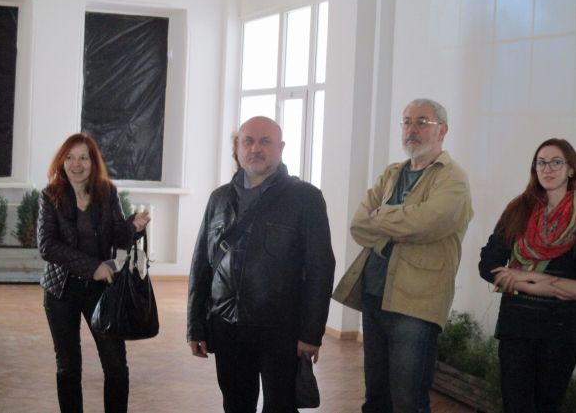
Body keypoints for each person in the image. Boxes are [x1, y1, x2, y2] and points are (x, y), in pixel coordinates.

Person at [333, 98, 473, 413]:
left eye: (422, 122)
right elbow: (358, 224)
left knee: (408, 399)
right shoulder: (392, 173)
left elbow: (428, 222)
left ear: (442, 131)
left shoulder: (453, 177)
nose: (412, 129)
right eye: (407, 122)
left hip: (417, 303)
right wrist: (400, 226)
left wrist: (382, 217)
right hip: (375, 295)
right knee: (376, 396)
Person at [187, 116, 335, 413]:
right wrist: (195, 326)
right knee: (235, 405)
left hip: (281, 328)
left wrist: (311, 333)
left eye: (265, 141)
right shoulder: (219, 198)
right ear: (238, 147)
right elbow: (201, 264)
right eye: (248, 141)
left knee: (281, 406)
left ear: (280, 147)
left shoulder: (305, 198)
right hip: (227, 325)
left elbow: (321, 268)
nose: (255, 148)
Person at [38, 132, 150, 413]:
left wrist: (133, 227)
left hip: (102, 289)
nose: (76, 164)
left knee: (116, 365)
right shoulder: (50, 195)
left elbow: (117, 235)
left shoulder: (107, 192)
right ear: (62, 161)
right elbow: (47, 246)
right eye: (70, 157)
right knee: (68, 367)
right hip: (61, 290)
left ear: (93, 162)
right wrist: (93, 267)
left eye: (83, 158)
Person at [479, 138, 576, 413]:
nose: (548, 169)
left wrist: (525, 280)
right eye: (541, 163)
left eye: (556, 162)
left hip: (561, 330)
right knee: (515, 406)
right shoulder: (519, 209)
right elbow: (488, 264)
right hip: (516, 326)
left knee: (547, 406)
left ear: (571, 169)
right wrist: (546, 285)